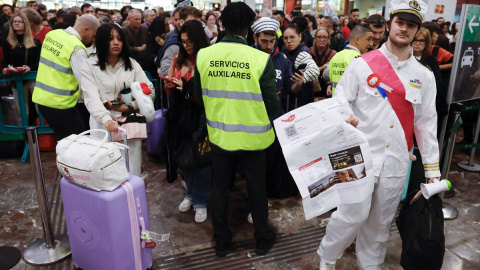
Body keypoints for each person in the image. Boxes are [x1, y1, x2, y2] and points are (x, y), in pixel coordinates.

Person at [318, 0, 440, 269]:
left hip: (396, 161)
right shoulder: (363, 64)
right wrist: (344, 118)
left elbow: (426, 124)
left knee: (380, 222)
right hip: (358, 157)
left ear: (417, 31)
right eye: (400, 22)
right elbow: (340, 101)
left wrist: (433, 171)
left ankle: (369, 265)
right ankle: (327, 257)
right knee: (350, 215)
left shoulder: (425, 76)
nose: (404, 29)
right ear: (388, 25)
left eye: (411, 25)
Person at [193, 2, 278, 257]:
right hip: (255, 139)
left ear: (222, 24)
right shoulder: (261, 59)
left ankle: (222, 241)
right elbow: (272, 104)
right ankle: (262, 239)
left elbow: (198, 99)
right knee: (256, 188)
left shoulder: (204, 55)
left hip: (219, 136)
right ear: (249, 27)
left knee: (219, 190)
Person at [80, 23, 154, 177]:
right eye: (111, 39)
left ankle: (130, 198)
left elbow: (149, 89)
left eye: (119, 39)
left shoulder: (131, 64)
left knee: (131, 167)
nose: (116, 43)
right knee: (105, 169)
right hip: (102, 123)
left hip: (128, 123)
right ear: (100, 41)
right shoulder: (89, 65)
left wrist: (130, 107)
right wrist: (106, 119)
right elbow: (91, 97)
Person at [163, 20, 212, 223]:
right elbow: (169, 87)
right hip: (181, 116)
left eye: (189, 41)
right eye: (183, 41)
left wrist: (190, 91)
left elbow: (210, 92)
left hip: (202, 115)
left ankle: (201, 201)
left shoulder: (208, 59)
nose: (186, 45)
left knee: (201, 160)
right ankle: (191, 194)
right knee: (185, 158)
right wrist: (170, 86)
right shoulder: (177, 59)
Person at [251, 17, 300, 202]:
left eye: (272, 41)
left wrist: (298, 84)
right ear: (255, 38)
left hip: (275, 121)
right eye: (264, 41)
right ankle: (255, 200)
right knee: (254, 165)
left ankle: (266, 196)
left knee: (271, 164)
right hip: (253, 121)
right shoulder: (249, 57)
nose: (268, 45)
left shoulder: (282, 59)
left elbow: (290, 87)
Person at [32, 15, 100, 141]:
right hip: (61, 105)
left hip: (41, 99)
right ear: (86, 29)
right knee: (78, 142)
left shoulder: (53, 35)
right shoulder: (77, 48)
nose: (92, 40)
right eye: (93, 35)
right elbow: (85, 82)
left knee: (64, 141)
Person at [2, 13, 41, 125]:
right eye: (14, 22)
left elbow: (40, 61)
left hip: (33, 78)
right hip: (17, 79)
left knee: (40, 108)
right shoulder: (7, 42)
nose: (17, 23)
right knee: (22, 111)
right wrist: (5, 69)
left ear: (26, 24)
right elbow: (6, 61)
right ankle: (25, 136)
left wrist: (30, 67)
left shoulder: (35, 42)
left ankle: (43, 136)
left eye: (20, 21)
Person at [412, 27, 447, 138]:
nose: (417, 43)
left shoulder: (431, 60)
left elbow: (437, 83)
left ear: (427, 43)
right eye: (415, 40)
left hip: (426, 103)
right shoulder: (405, 57)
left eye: (421, 40)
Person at [282, 24, 319, 110]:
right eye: (285, 38)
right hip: (292, 103)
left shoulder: (302, 54)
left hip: (299, 104)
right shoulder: (288, 52)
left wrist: (301, 79)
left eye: (292, 37)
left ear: (300, 37)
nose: (289, 41)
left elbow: (315, 70)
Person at [328, 25, 373, 95]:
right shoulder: (359, 59)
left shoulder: (336, 56)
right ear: (357, 40)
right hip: (351, 103)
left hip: (336, 101)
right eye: (368, 39)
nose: (371, 43)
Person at [310, 26, 336, 98]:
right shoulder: (308, 52)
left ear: (328, 39)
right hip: (310, 90)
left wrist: (329, 85)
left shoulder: (333, 54)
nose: (322, 40)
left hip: (327, 90)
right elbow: (307, 72)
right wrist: (322, 68)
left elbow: (334, 74)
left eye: (324, 37)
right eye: (319, 37)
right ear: (315, 38)